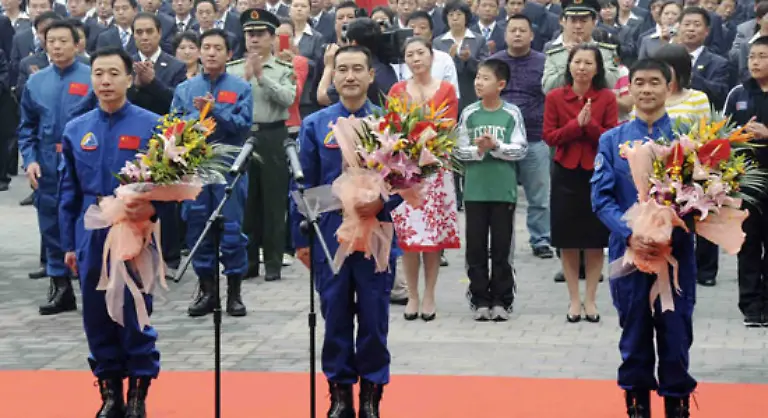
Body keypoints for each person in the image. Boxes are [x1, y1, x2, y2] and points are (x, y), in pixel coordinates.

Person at [289, 44, 402, 418]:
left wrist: (381, 203)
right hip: (329, 236)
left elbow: (408, 182)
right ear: (333, 76)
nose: (350, 77)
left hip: (376, 235)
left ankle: (371, 397)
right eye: (343, 70)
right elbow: (301, 189)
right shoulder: (315, 125)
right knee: (335, 317)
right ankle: (339, 396)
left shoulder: (389, 124)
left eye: (358, 69)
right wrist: (299, 241)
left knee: (373, 319)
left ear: (372, 75)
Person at [59, 46, 163, 418]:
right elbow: (67, 192)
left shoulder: (152, 125)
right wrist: (68, 244)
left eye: (114, 74)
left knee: (135, 310)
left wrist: (150, 208)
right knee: (96, 313)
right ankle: (110, 392)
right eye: (99, 73)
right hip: (91, 229)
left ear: (129, 78)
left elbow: (168, 186)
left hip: (134, 228)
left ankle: (138, 392)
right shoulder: (76, 128)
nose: (105, 81)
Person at [592, 58, 697, 418]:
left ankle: (677, 402)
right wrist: (630, 233)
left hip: (676, 255)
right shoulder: (612, 139)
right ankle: (636, 404)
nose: (647, 89)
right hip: (629, 255)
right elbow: (601, 198)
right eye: (640, 83)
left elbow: (708, 197)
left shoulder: (689, 136)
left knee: (676, 332)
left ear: (669, 88)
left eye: (655, 82)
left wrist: (679, 224)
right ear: (629, 89)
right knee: (633, 332)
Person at [171, 28, 253, 317]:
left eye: (218, 48)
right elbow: (173, 127)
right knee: (197, 228)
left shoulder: (241, 87)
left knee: (231, 230)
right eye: (206, 47)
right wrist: (199, 116)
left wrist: (215, 111)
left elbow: (243, 127)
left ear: (229, 54)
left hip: (229, 168)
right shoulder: (184, 89)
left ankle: (234, 293)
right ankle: (207, 291)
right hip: (195, 168)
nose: (211, 53)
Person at [18, 19, 92, 316]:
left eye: (63, 41)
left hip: (81, 162)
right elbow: (27, 128)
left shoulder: (91, 77)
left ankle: (91, 287)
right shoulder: (36, 81)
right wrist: (31, 159)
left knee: (85, 223)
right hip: (47, 163)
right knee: (50, 224)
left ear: (77, 44)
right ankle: (60, 287)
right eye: (52, 42)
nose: (57, 46)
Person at [543, 44, 617, 323]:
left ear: (597, 68)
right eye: (577, 62)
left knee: (595, 239)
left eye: (588, 63)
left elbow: (610, 137)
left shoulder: (607, 98)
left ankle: (591, 300)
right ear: (569, 65)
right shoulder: (555, 97)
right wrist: (576, 125)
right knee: (569, 239)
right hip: (565, 172)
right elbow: (550, 136)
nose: (582, 67)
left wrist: (589, 126)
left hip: (596, 173)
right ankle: (574, 300)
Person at [390, 37, 461, 322]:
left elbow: (447, 127)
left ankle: (429, 294)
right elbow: (392, 128)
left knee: (432, 239)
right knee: (408, 238)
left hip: (435, 170)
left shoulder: (446, 89)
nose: (416, 58)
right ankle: (413, 295)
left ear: (432, 57)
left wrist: (426, 142)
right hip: (405, 172)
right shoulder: (397, 89)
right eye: (410, 54)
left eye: (421, 53)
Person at [455, 58, 528, 321]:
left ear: (501, 84)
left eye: (485, 78)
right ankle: (479, 300)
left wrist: (497, 146)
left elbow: (521, 148)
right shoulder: (469, 113)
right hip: (474, 192)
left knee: (501, 248)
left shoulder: (511, 113)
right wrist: (478, 150)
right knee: (475, 248)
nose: (478, 82)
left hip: (502, 191)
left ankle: (501, 300)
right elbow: (457, 149)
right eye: (477, 77)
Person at [227, 9, 296, 281]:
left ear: (272, 38)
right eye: (249, 34)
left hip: (273, 135)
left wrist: (261, 76)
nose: (254, 39)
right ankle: (248, 262)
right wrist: (245, 78)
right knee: (246, 201)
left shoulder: (283, 69)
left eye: (260, 34)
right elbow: (227, 102)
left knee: (273, 201)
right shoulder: (233, 70)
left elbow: (288, 99)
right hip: (243, 135)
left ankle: (273, 263)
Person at [724, 35, 768, 327]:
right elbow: (722, 135)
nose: (755, 62)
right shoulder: (738, 93)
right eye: (752, 56)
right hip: (748, 185)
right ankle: (751, 307)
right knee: (748, 245)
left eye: (763, 56)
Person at [542, 0, 620, 94]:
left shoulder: (607, 52)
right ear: (564, 22)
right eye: (573, 21)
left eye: (583, 21)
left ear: (594, 22)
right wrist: (569, 60)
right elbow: (548, 89)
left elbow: (612, 83)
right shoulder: (554, 53)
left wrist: (593, 59)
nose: (578, 26)